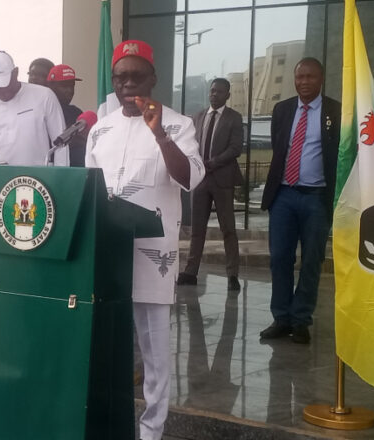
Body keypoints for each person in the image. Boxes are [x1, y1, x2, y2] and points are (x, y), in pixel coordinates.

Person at [85, 40, 205, 440]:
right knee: (105, 346)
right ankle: (106, 422)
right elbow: (91, 190)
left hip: (152, 258)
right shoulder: (100, 129)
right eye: (122, 77)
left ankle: (152, 430)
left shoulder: (178, 124)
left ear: (154, 79)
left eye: (138, 76)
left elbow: (188, 179)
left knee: (154, 354)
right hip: (107, 257)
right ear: (114, 81)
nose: (129, 84)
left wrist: (159, 136)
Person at [259, 58, 340, 344]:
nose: (304, 81)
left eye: (310, 77)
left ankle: (301, 319)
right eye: (300, 77)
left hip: (316, 198)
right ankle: (281, 317)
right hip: (283, 195)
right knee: (279, 257)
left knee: (311, 260)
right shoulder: (282, 110)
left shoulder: (336, 111)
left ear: (321, 79)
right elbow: (279, 148)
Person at [178, 78, 244, 290]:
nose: (214, 94)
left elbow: (235, 148)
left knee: (228, 229)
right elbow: (190, 145)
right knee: (197, 229)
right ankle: (191, 271)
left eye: (219, 91)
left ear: (228, 95)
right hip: (200, 180)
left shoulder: (234, 118)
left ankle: (233, 275)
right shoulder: (197, 117)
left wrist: (212, 163)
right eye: (212, 91)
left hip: (222, 179)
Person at [0, 50, 67, 166]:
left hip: (38, 180)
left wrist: (61, 179)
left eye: (4, 84)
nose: (1, 91)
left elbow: (62, 144)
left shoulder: (44, 96)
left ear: (16, 73)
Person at [46, 63, 86, 167]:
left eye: (72, 86)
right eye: (64, 86)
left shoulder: (76, 113)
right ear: (50, 86)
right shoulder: (41, 112)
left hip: (74, 171)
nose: (70, 91)